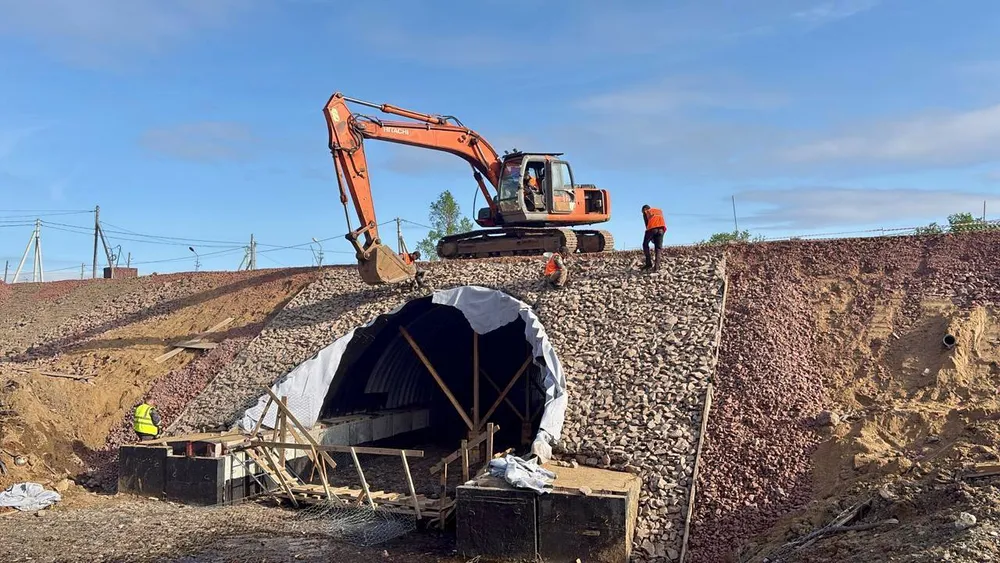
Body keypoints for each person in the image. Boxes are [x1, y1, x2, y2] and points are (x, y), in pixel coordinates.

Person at [641, 204, 666, 272]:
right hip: (661, 229)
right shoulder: (659, 211)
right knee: (658, 248)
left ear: (644, 209)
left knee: (645, 244)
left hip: (652, 229)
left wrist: (651, 237)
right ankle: (656, 268)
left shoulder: (646, 212)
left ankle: (648, 264)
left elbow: (647, 224)